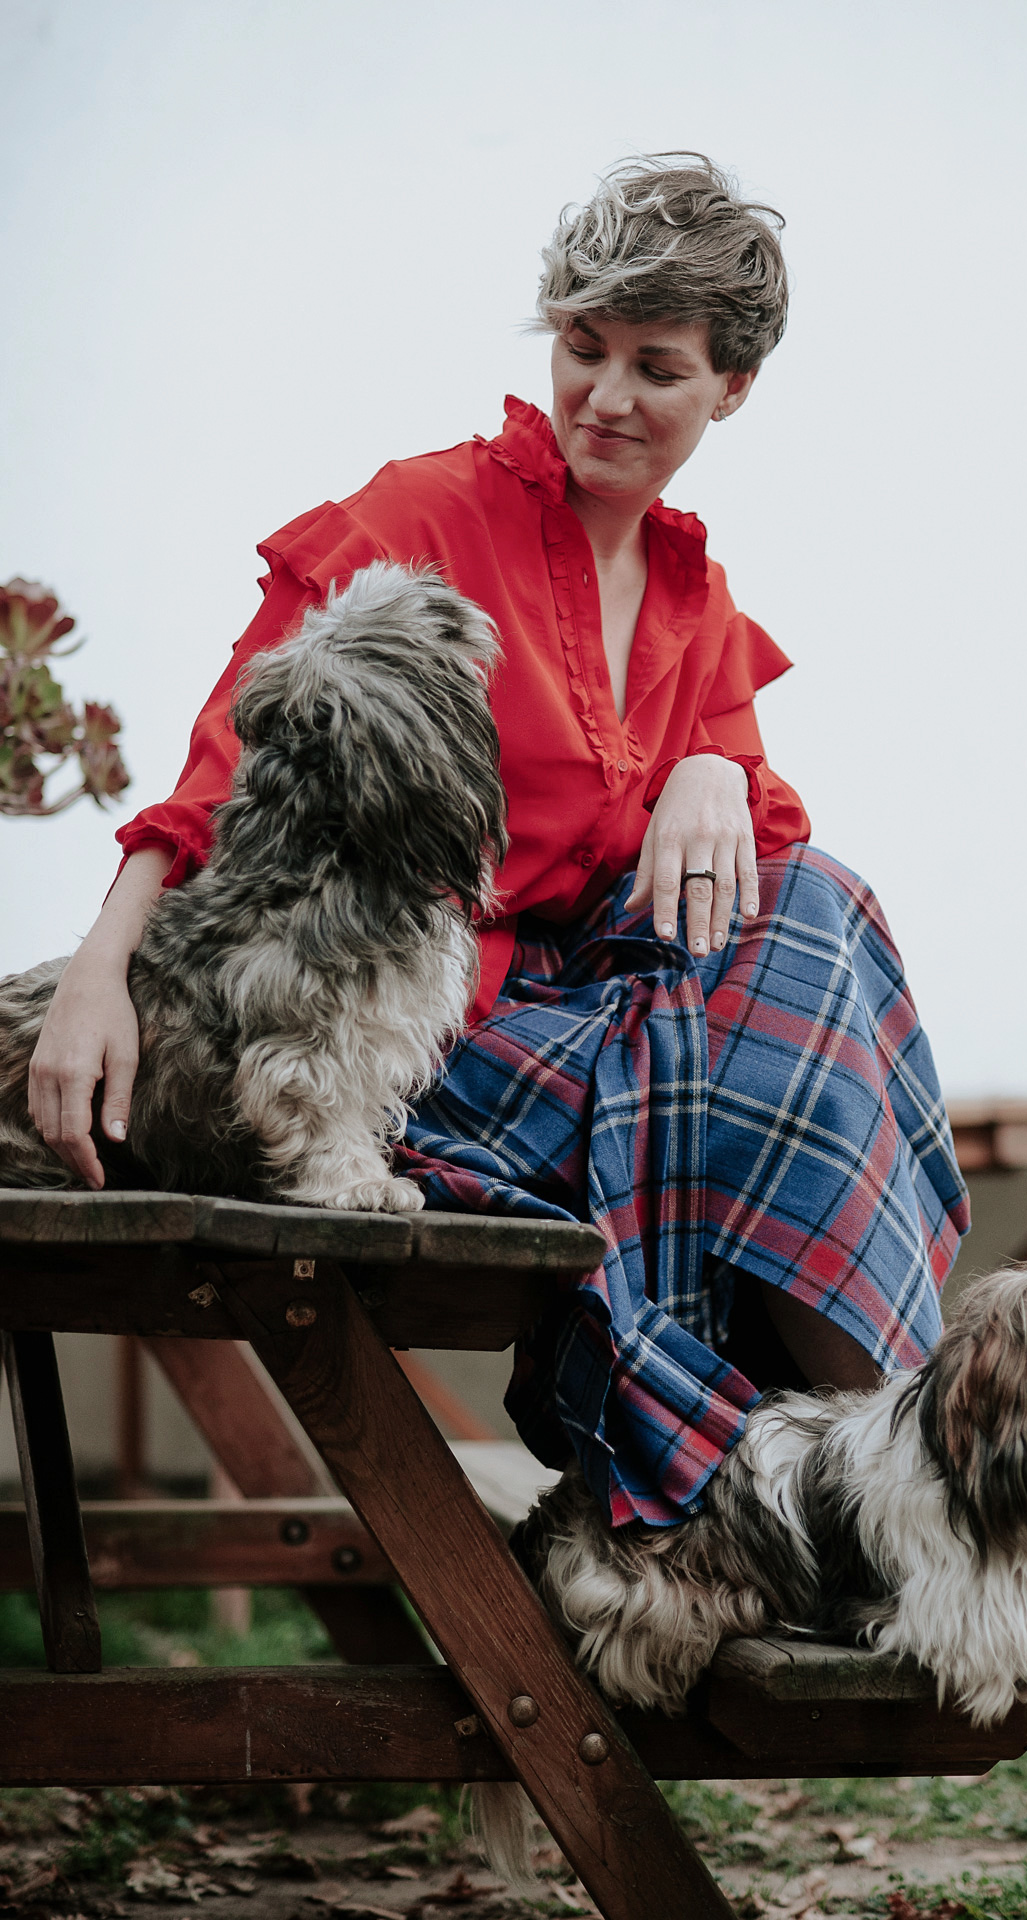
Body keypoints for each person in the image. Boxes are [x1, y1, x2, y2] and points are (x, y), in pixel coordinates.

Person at [27, 155, 969, 1527]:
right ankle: (906, 1479)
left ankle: (881, 1464)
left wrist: (713, 761)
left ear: (732, 388)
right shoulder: (423, 519)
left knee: (816, 909)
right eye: (583, 348)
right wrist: (98, 973)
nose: (605, 396)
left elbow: (752, 845)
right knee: (756, 1029)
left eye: (656, 367)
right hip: (396, 1044)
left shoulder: (696, 597)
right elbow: (219, 767)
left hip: (582, 1022)